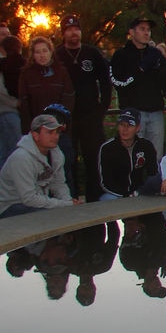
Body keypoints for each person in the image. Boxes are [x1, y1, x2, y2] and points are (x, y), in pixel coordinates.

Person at [53, 14, 111, 202]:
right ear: (64, 33)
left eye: (76, 29)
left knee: (93, 157)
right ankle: (71, 196)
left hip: (90, 115)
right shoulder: (57, 55)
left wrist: (102, 108)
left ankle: (95, 195)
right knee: (68, 158)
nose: (73, 33)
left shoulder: (91, 53)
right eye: (69, 30)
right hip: (66, 117)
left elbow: (105, 81)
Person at [110, 17, 166, 158]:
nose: (146, 33)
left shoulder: (155, 54)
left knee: (156, 156)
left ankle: (154, 180)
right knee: (131, 155)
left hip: (155, 111)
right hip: (133, 112)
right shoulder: (121, 55)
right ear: (132, 32)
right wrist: (140, 70)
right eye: (142, 29)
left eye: (148, 30)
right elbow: (118, 82)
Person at [0, 114, 82, 218]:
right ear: (35, 135)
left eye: (57, 132)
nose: (55, 136)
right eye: (50, 132)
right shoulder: (21, 158)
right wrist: (64, 204)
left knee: (65, 213)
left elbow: (58, 183)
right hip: (10, 207)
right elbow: (29, 199)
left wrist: (68, 200)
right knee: (49, 217)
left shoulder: (56, 154)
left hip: (35, 204)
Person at [97, 107, 158, 200]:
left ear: (137, 128)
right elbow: (104, 182)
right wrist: (126, 196)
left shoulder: (146, 146)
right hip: (115, 194)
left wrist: (141, 191)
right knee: (107, 199)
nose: (124, 129)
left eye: (129, 125)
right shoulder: (107, 148)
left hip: (139, 192)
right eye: (122, 125)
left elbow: (153, 173)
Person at [17, 36, 75, 133]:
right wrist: (29, 127)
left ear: (51, 52)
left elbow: (68, 98)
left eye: (45, 51)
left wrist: (61, 120)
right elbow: (24, 103)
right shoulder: (26, 74)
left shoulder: (61, 72)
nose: (42, 55)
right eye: (38, 52)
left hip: (59, 126)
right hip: (36, 127)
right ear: (33, 55)